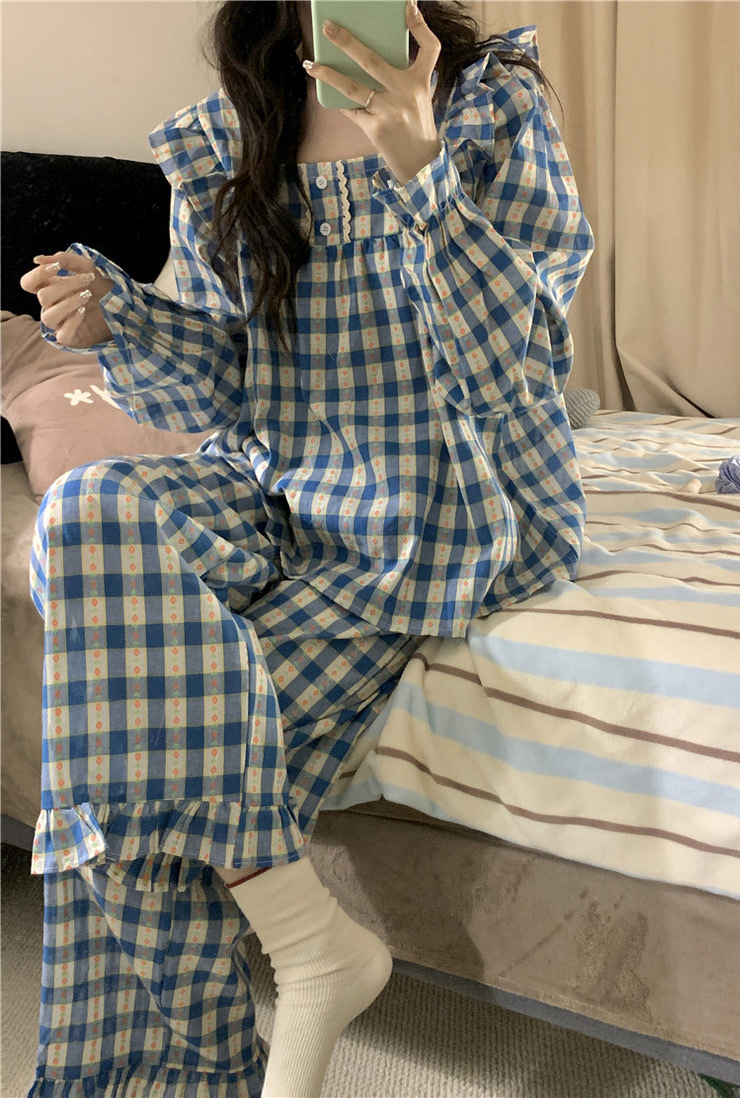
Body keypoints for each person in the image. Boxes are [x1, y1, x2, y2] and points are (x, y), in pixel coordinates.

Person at [19, 1, 593, 1094]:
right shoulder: (224, 136)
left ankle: (213, 1036)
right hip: (274, 486)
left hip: (446, 503)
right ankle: (305, 933)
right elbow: (218, 389)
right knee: (88, 510)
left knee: (130, 739)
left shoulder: (494, 103)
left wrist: (420, 164)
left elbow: (521, 363)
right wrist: (119, 324)